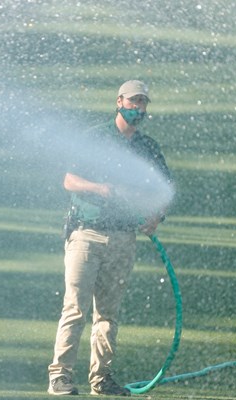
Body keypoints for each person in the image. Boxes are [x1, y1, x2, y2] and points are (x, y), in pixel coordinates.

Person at [47, 80, 172, 396]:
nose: (138, 108)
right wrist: (100, 189)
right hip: (86, 235)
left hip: (123, 239)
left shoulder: (148, 148)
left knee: (108, 314)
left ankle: (101, 380)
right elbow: (69, 180)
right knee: (75, 308)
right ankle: (59, 376)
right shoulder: (95, 139)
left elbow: (163, 190)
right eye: (133, 101)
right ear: (119, 101)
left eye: (143, 102)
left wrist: (156, 217)